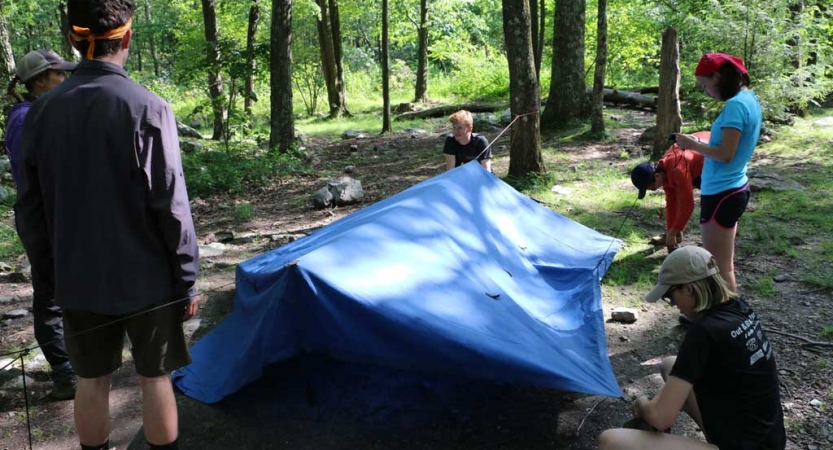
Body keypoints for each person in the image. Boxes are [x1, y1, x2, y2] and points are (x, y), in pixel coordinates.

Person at [15, 0, 200, 449]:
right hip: (148, 278)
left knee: (91, 379)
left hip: (77, 276)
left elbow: (31, 209)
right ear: (128, 38)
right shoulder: (148, 107)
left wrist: (50, 274)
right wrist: (187, 278)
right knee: (155, 377)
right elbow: (171, 203)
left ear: (74, 42)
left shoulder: (41, 112)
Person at [598, 246, 785, 450]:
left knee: (609, 441)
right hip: (768, 439)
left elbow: (661, 419)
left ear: (688, 289)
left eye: (670, 296)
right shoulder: (737, 306)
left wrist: (642, 402)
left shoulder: (704, 332)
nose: (672, 304)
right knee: (670, 364)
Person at [5, 49, 78, 400]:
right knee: (50, 294)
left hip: (59, 215)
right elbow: (34, 172)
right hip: (41, 218)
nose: (64, 79)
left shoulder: (44, 111)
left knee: (72, 286)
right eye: (58, 75)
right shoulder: (23, 118)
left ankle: (79, 360)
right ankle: (65, 374)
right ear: (38, 82)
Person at [673, 53, 762, 292]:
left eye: (705, 85)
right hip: (731, 187)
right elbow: (728, 142)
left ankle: (727, 319)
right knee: (722, 263)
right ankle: (723, 315)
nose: (706, 91)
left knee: (721, 266)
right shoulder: (749, 99)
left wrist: (691, 145)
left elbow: (724, 154)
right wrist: (697, 141)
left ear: (718, 76)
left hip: (723, 191)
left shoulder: (735, 105)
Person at [631, 131, 709, 254]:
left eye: (650, 187)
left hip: (712, 153)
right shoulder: (664, 172)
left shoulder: (677, 170)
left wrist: (673, 232)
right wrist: (670, 231)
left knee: (710, 199)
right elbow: (672, 203)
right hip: (697, 160)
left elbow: (688, 205)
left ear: (656, 176)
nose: (651, 190)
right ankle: (676, 235)